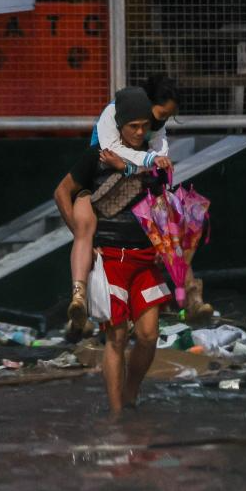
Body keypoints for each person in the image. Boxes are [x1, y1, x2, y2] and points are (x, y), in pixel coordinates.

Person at [64, 76, 212, 342]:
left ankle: (191, 297)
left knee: (172, 228)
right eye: (160, 115)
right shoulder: (117, 125)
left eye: (164, 118)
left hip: (133, 187)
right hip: (106, 187)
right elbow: (115, 161)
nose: (158, 123)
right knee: (89, 244)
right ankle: (79, 314)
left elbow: (153, 165)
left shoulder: (149, 131)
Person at [53, 88, 172, 414]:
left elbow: (159, 201)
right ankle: (118, 414)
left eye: (143, 126)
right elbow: (62, 192)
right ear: (118, 125)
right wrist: (80, 235)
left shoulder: (153, 157)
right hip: (111, 259)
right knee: (116, 339)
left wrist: (163, 242)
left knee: (149, 336)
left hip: (146, 258)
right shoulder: (98, 155)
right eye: (132, 126)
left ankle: (131, 394)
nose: (139, 132)